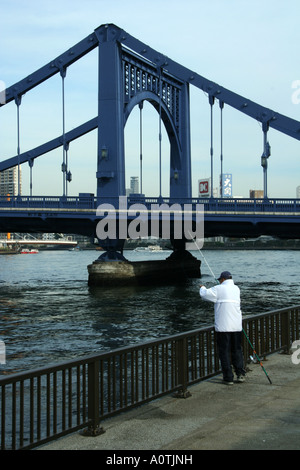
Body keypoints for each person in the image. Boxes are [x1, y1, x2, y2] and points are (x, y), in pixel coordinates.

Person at [199, 271, 246, 385]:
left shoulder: (218, 289)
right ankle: (240, 374)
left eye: (220, 279)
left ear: (223, 279)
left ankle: (228, 377)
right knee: (237, 350)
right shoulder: (236, 289)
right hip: (236, 326)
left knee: (224, 352)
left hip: (223, 327)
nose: (219, 281)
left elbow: (205, 295)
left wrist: (202, 287)